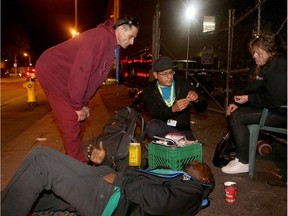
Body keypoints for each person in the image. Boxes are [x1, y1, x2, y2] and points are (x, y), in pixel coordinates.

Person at [35, 15, 139, 162]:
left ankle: (72, 159)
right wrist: (77, 105)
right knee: (70, 119)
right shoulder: (100, 37)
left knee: (79, 118)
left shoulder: (110, 46)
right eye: (131, 36)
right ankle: (78, 169)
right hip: (52, 70)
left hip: (67, 75)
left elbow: (93, 80)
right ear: (121, 29)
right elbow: (81, 71)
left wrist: (83, 104)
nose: (132, 42)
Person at [1, 144, 215, 216]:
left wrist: (118, 182)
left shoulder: (194, 192)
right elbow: (136, 176)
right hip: (108, 189)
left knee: (41, 160)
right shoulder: (179, 178)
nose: (196, 160)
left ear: (205, 178)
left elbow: (159, 201)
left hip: (110, 200)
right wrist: (106, 164)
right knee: (26, 192)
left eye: (201, 164)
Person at [222, 32, 287, 174]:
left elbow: (274, 100)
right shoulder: (269, 65)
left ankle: (244, 161)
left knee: (237, 116)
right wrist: (238, 102)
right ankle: (241, 158)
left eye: (259, 53)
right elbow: (253, 89)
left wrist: (249, 99)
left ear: (272, 52)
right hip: (273, 110)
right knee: (235, 112)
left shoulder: (280, 66)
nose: (254, 56)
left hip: (282, 114)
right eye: (254, 52)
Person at [143, 56, 207, 141]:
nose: (169, 76)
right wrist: (173, 109)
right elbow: (156, 114)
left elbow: (203, 107)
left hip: (182, 129)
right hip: (163, 128)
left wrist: (197, 99)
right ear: (155, 75)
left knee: (190, 151)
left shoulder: (182, 83)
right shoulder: (149, 90)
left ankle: (176, 142)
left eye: (171, 72)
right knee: (152, 127)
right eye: (164, 74)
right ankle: (171, 144)